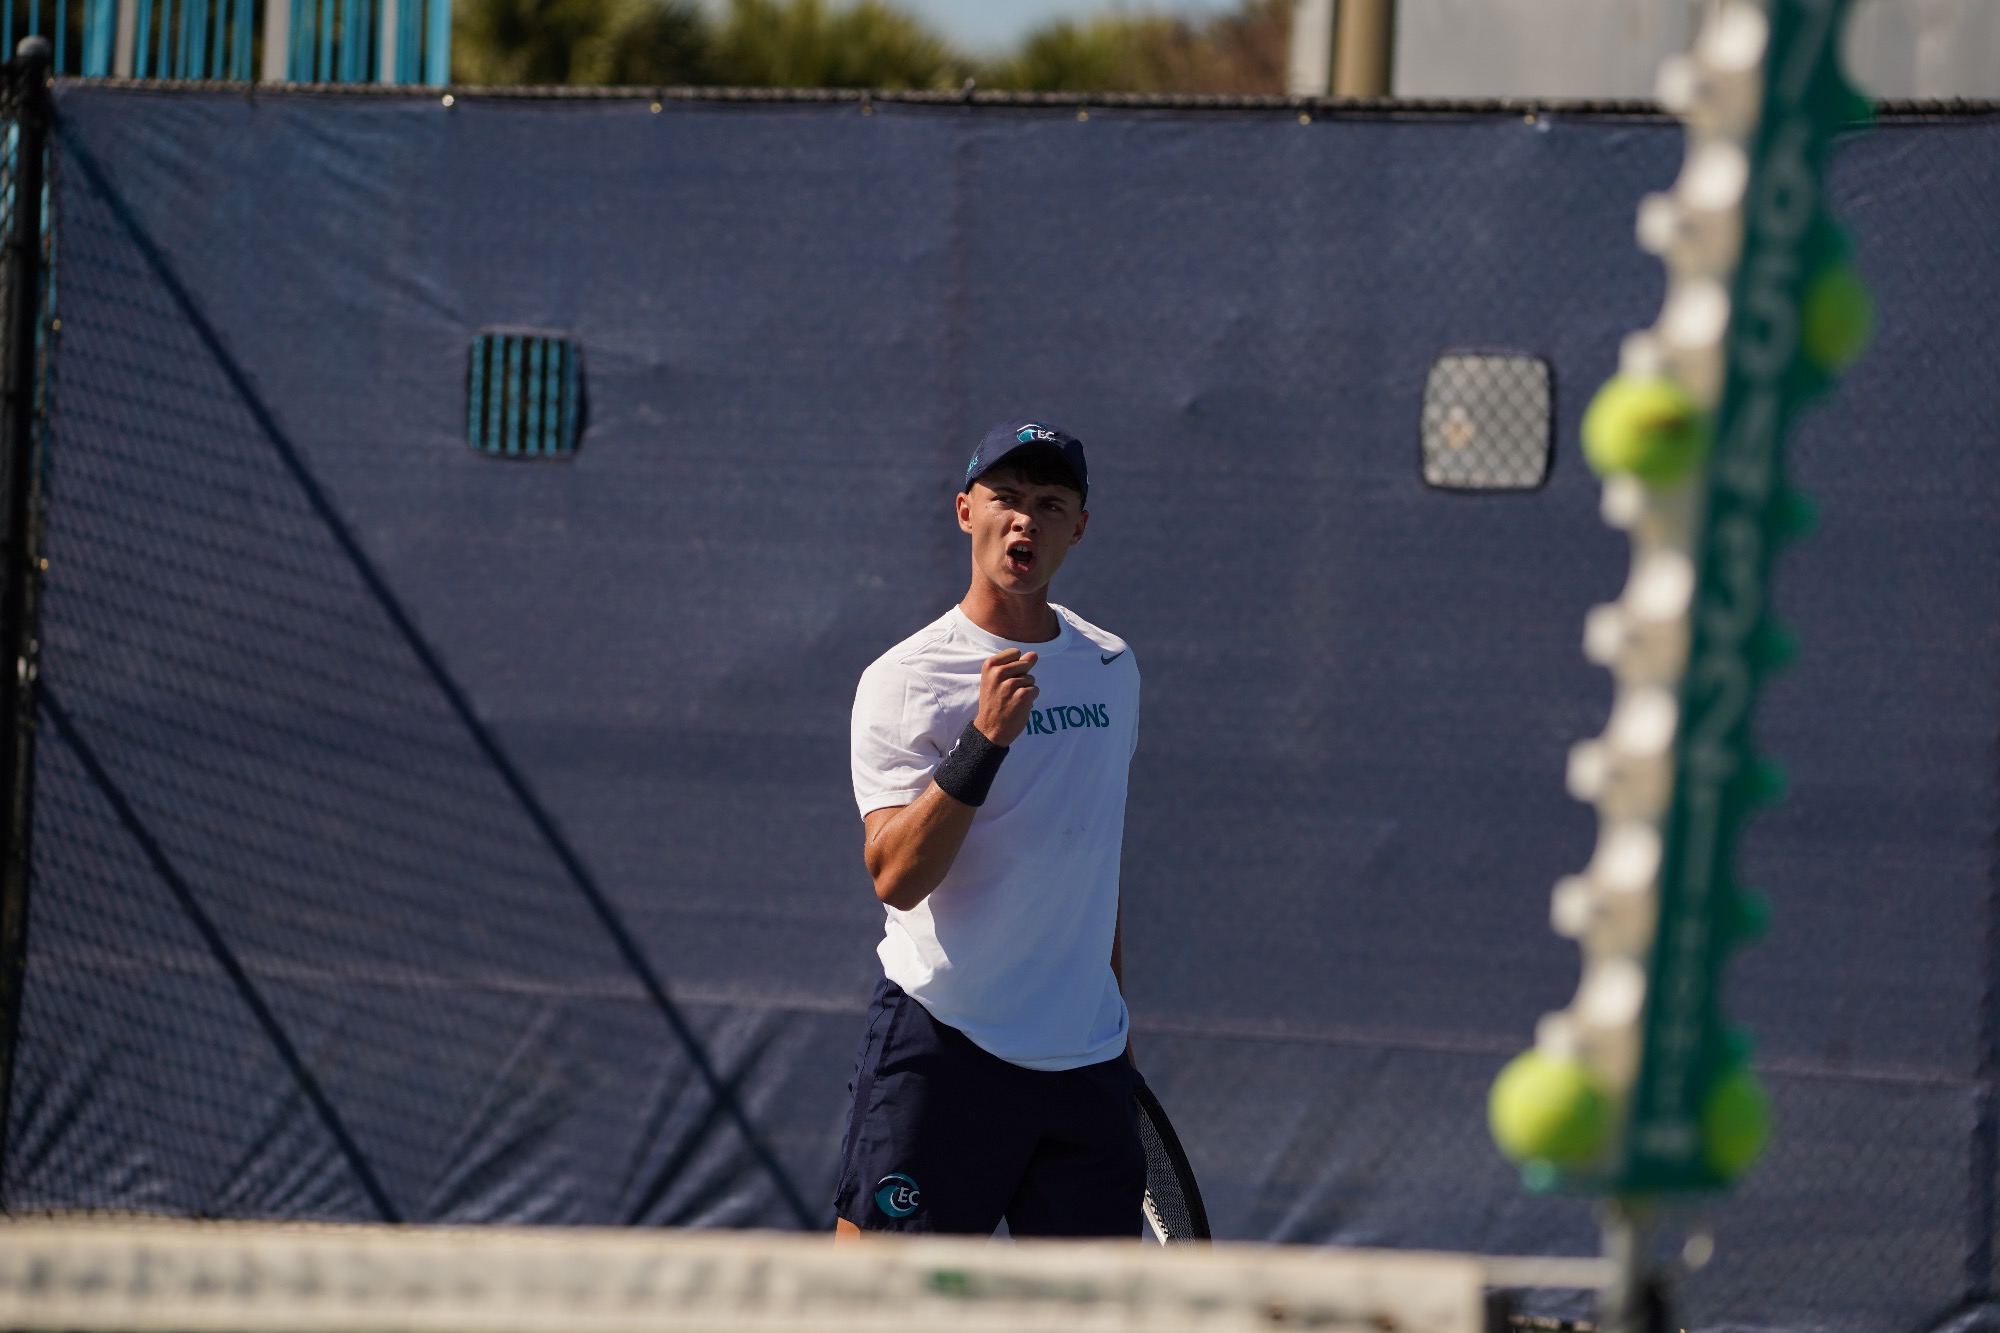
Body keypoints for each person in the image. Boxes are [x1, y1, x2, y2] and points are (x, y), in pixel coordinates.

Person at [834, 420, 1144, 1239]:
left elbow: (1088, 856)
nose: (1025, 521)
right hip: (945, 1049)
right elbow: (896, 874)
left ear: (1078, 527)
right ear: (965, 509)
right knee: (870, 1312)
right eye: (1006, 498)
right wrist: (983, 742)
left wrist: (1112, 1022)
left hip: (1086, 1062)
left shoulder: (1112, 668)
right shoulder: (905, 678)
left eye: (1050, 503)